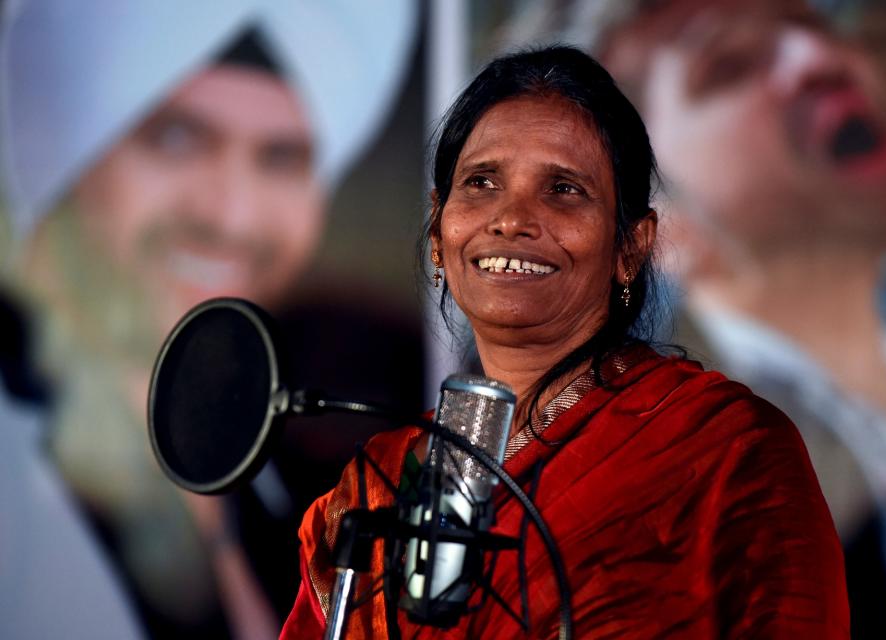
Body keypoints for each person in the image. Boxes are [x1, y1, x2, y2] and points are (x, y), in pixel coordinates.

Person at [281, 46, 848, 638]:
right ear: (437, 229)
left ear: (630, 246)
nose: (511, 219)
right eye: (481, 182)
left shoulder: (727, 453)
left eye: (564, 189)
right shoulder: (376, 488)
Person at [502, 1, 886, 636]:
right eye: (731, 66)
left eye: (815, 26)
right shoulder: (671, 475)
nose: (820, 59)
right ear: (659, 227)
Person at [0, 1, 417, 638]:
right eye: (176, 139)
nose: (231, 216)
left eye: (280, 157)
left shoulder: (311, 492)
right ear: (68, 159)